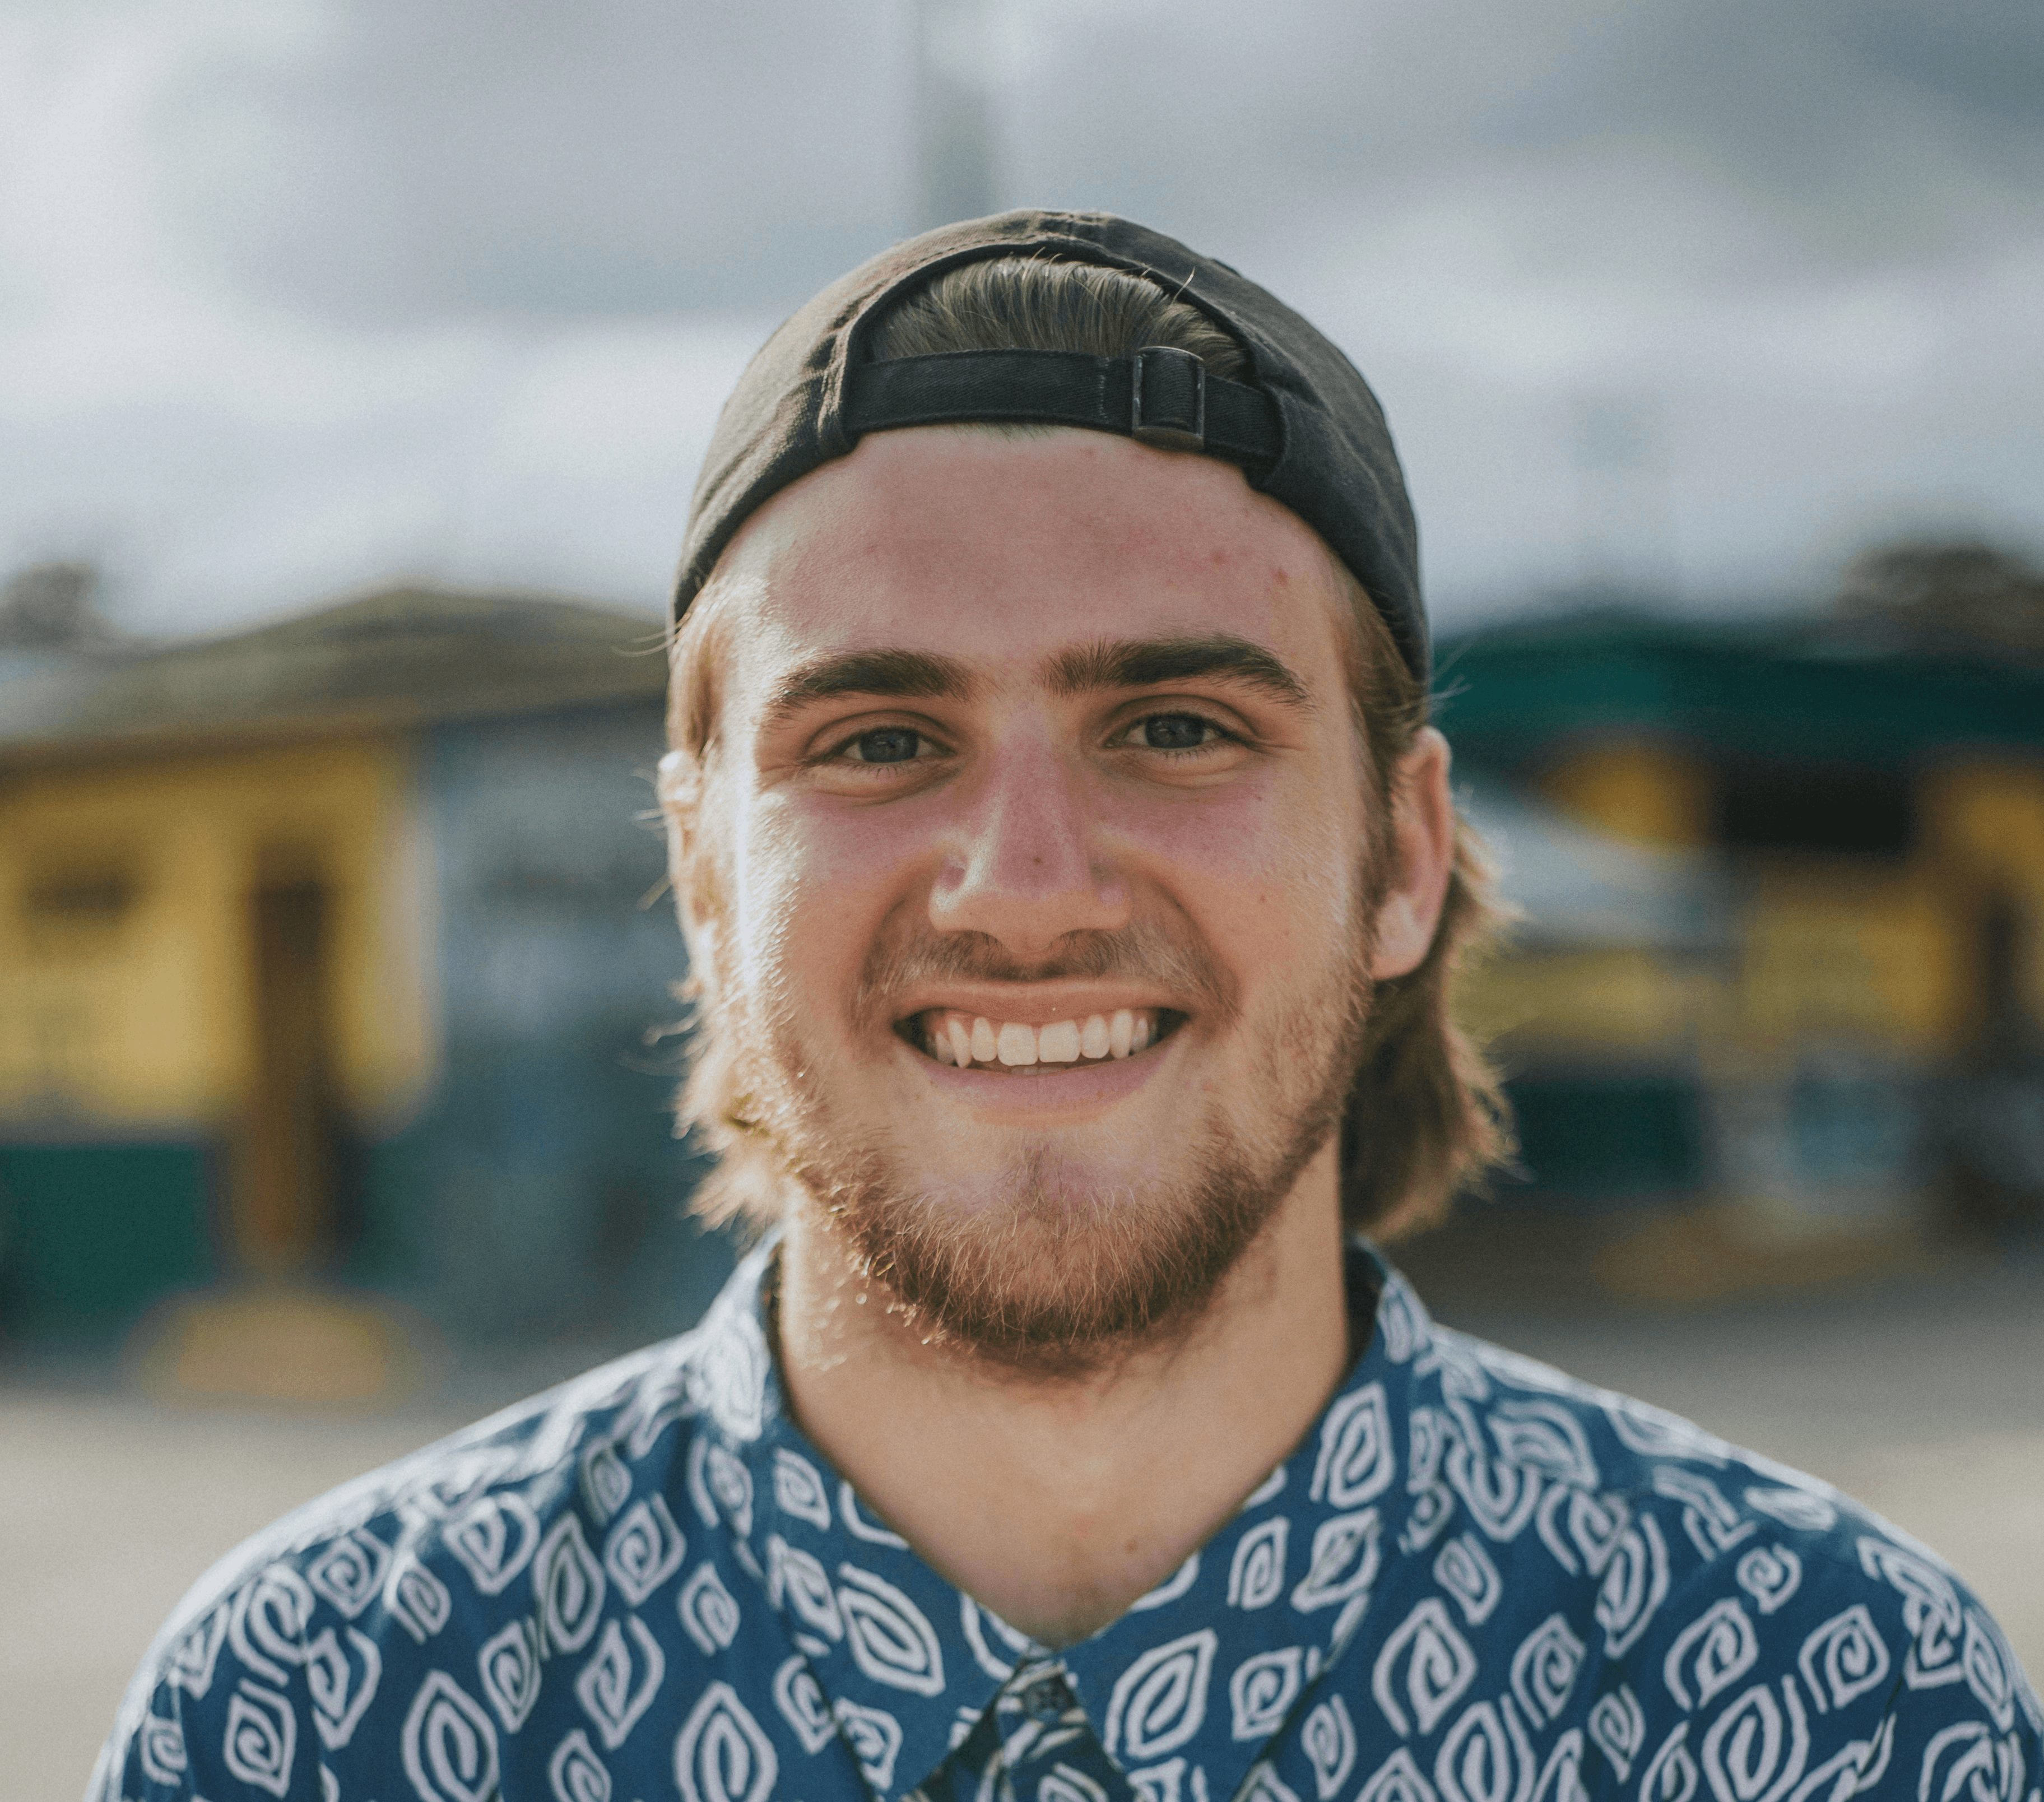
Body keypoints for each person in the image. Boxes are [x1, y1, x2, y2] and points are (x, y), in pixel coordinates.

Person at [96, 211, 2037, 1802]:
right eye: (876, 736)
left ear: (1403, 858)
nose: (1025, 888)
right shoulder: (315, 1719)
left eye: (1179, 725)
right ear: (700, 874)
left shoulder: (1827, 1708)